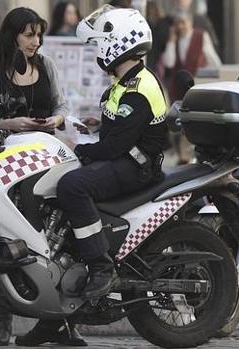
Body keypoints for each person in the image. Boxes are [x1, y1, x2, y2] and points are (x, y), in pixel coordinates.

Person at [0, 7, 78, 347]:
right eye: (29, 34)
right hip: (6, 169)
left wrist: (55, 122)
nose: (36, 41)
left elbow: (62, 106)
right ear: (13, 35)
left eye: (38, 34)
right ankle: (2, 320)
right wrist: (9, 124)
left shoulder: (46, 65)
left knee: (55, 239)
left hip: (45, 162)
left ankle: (64, 321)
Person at [59, 0, 166, 312]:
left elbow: (115, 146)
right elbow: (119, 126)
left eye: (100, 45)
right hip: (123, 159)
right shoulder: (123, 83)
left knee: (72, 186)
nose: (98, 53)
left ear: (117, 44)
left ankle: (101, 267)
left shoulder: (139, 87)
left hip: (136, 167)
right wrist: (98, 124)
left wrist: (77, 149)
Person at [161, 10, 221, 101]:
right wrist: (171, 41)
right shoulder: (174, 39)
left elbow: (212, 59)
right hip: (178, 90)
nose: (180, 26)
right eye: (177, 24)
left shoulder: (201, 36)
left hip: (197, 86)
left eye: (183, 23)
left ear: (190, 23)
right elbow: (169, 63)